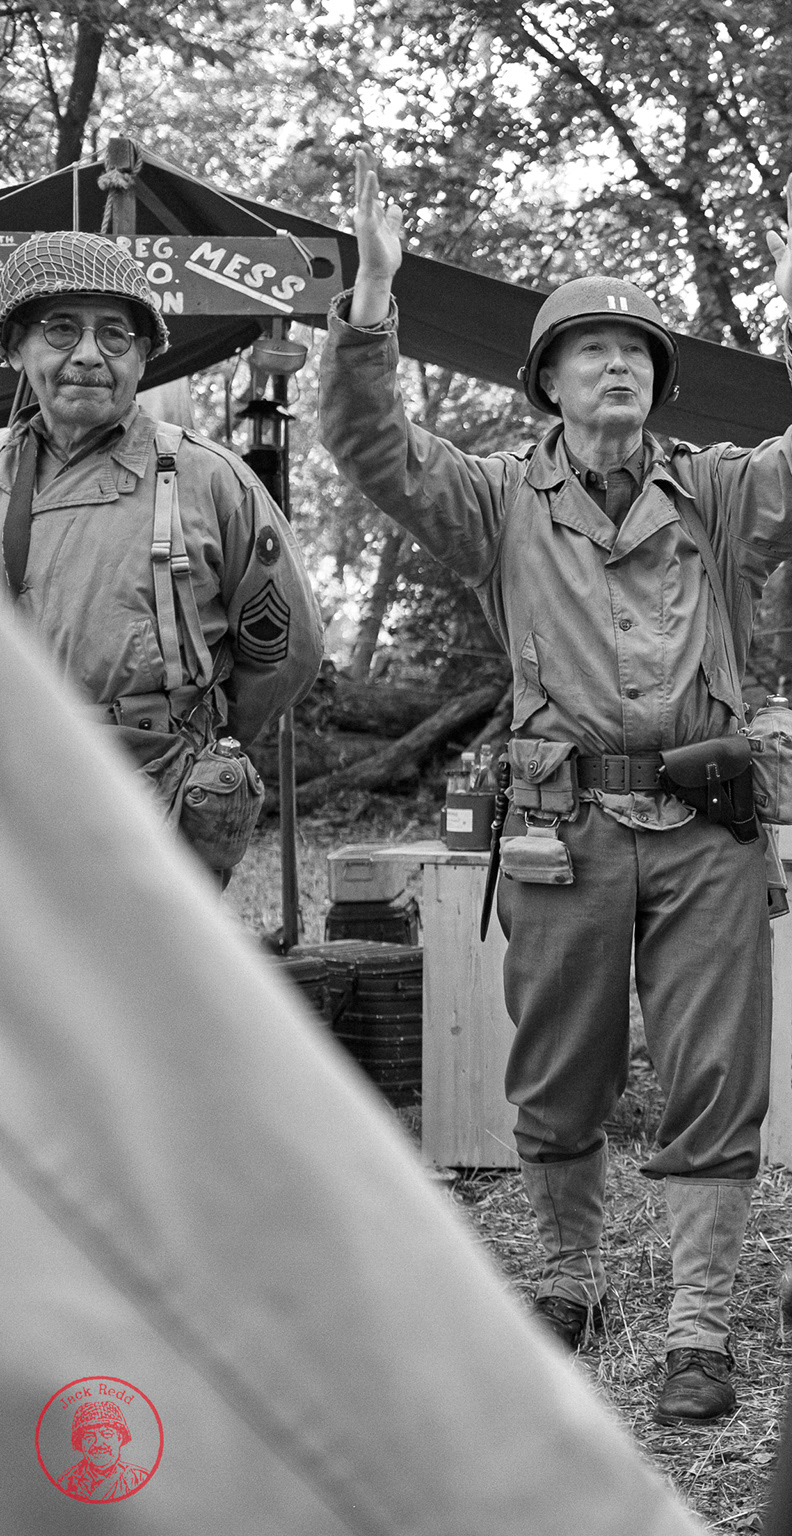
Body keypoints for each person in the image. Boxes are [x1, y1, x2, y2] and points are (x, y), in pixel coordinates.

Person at [318, 150, 792, 1426]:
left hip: (706, 826)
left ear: (658, 383)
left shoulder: (721, 493)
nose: (616, 366)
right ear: (549, 383)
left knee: (714, 1072)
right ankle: (568, 1276)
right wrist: (371, 308)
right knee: (560, 1069)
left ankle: (698, 1322)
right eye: (590, 351)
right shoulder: (498, 503)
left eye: (635, 351)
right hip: (560, 827)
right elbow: (374, 447)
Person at [0, 598, 707, 1534]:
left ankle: (671, 1312)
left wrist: (216, 732)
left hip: (158, 772)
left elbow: (284, 640)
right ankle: (570, 1271)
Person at [0, 231, 322, 879]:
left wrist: (207, 733)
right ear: (14, 348)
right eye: (60, 329)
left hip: (159, 789)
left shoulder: (210, 479)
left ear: (143, 356)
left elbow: (287, 650)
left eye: (115, 335)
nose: (88, 354)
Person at [57, 1402, 151, 1503]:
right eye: (89, 1436)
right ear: (80, 1443)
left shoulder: (138, 1479)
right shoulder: (66, 1482)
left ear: (119, 1438)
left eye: (106, 1434)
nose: (98, 1443)